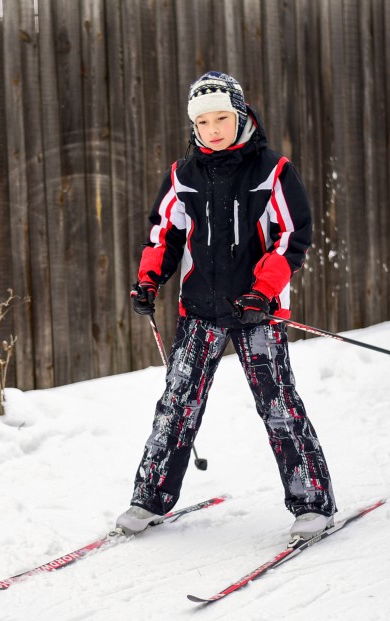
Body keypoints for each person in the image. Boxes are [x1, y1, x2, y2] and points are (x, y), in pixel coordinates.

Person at [117, 71, 337, 540]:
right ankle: (149, 498)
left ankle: (311, 502)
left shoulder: (273, 171)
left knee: (277, 403)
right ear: (193, 127)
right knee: (177, 404)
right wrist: (148, 281)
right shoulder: (183, 176)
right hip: (199, 309)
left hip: (256, 307)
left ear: (241, 116)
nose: (213, 129)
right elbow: (164, 235)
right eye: (203, 122)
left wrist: (264, 291)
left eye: (222, 118)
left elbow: (292, 238)